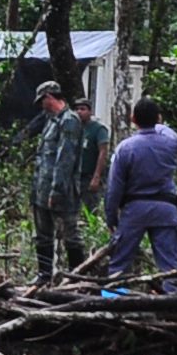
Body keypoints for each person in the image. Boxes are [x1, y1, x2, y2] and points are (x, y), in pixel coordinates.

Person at [27, 81, 108, 282]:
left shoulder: (69, 121)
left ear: (50, 97)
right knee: (43, 235)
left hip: (61, 191)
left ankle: (76, 276)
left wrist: (56, 191)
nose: (42, 106)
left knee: (70, 234)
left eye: (42, 101)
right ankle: (44, 275)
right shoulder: (52, 121)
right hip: (41, 189)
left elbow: (65, 159)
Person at [100, 99, 177, 293]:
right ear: (159, 118)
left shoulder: (125, 148)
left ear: (133, 119)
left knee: (119, 265)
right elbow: (168, 132)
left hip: (134, 210)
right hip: (166, 209)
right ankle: (175, 306)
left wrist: (111, 217)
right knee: (171, 267)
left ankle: (113, 303)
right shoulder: (170, 143)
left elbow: (114, 188)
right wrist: (157, 122)